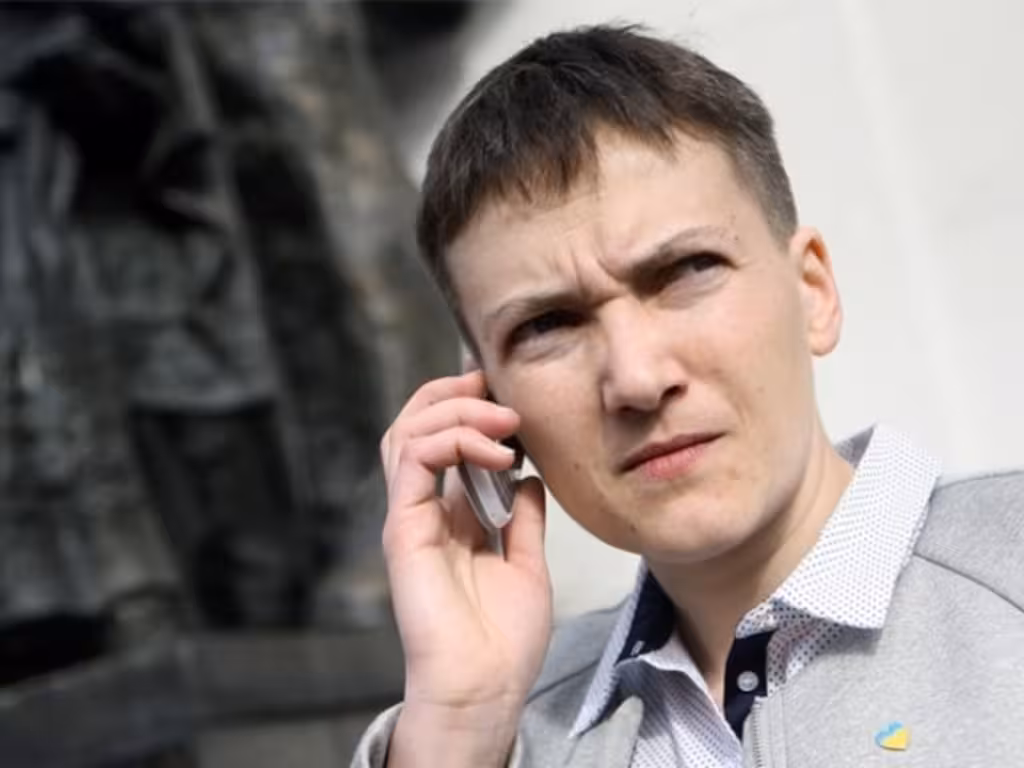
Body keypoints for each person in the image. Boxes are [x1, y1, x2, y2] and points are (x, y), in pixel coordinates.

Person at [352, 24, 1024, 768]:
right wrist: (457, 725)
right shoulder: (499, 731)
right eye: (548, 325)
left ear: (812, 292)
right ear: (490, 406)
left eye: (685, 272)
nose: (637, 379)